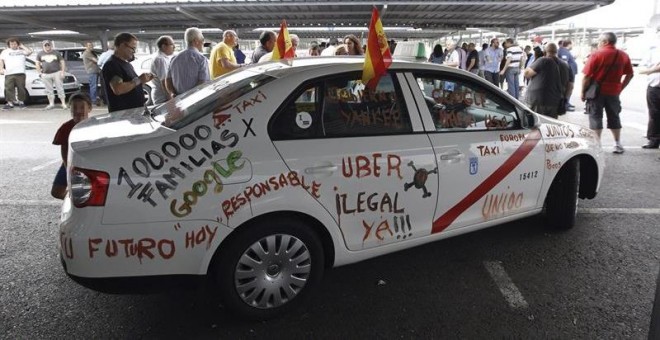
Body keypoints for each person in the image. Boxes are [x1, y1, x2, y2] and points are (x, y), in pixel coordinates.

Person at [581, 32, 634, 154]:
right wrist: (620, 87)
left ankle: (597, 146)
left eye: (599, 41)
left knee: (595, 117)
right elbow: (630, 75)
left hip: (596, 93)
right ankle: (617, 144)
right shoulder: (623, 55)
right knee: (614, 116)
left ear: (605, 42)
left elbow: (587, 77)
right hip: (614, 92)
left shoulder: (596, 55)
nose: (598, 43)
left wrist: (583, 92)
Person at [51, 92, 92, 199]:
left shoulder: (95, 126)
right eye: (74, 108)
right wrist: (67, 167)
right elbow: (64, 149)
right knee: (56, 192)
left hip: (90, 165)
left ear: (90, 108)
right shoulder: (65, 128)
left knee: (86, 193)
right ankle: (71, 200)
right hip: (70, 162)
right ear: (70, 110)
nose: (78, 111)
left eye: (82, 107)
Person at [102, 32, 154, 112]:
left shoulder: (127, 64)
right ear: (122, 45)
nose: (134, 51)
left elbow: (131, 85)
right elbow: (118, 88)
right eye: (132, 48)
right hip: (123, 114)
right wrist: (139, 80)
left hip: (134, 112)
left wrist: (143, 80)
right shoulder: (112, 64)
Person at [523, 43, 570, 119]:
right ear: (556, 51)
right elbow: (570, 85)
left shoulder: (543, 60)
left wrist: (536, 58)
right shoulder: (565, 65)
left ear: (545, 51)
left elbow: (527, 74)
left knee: (536, 124)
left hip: (538, 102)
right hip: (554, 102)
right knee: (549, 125)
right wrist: (565, 99)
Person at [166, 27, 209, 97]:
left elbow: (168, 80)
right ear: (196, 41)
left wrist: (172, 93)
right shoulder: (201, 59)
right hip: (195, 100)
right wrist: (189, 96)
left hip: (178, 100)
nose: (203, 43)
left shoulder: (174, 59)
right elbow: (203, 82)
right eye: (202, 40)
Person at [638, 36, 660, 149]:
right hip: (655, 87)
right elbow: (640, 70)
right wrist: (654, 70)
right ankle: (654, 140)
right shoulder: (653, 51)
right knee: (654, 114)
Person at [0, 37, 33, 110]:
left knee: (21, 88)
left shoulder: (22, 51)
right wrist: (1, 69)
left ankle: (21, 102)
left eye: (15, 44)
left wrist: (22, 46)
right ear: (9, 45)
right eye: (11, 44)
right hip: (9, 73)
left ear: (17, 44)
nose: (13, 45)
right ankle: (10, 103)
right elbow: (1, 60)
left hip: (20, 72)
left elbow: (29, 52)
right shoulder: (5, 52)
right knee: (8, 88)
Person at [36, 40, 68, 110]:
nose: (47, 46)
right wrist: (40, 73)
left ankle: (63, 103)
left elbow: (62, 62)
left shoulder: (56, 53)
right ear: (43, 46)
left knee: (60, 88)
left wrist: (62, 72)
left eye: (48, 45)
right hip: (45, 74)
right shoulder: (40, 54)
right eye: (45, 45)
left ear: (51, 45)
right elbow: (37, 63)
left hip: (56, 72)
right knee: (49, 90)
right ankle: (51, 103)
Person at [150, 35, 175, 105]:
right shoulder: (160, 60)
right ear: (164, 46)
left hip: (163, 96)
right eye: (172, 44)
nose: (174, 47)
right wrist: (171, 99)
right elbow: (164, 81)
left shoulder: (164, 58)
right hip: (163, 98)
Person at [558, 39, 578, 111]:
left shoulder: (566, 51)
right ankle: (565, 105)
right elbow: (564, 62)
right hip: (568, 75)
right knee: (567, 89)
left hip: (569, 74)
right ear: (569, 44)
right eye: (572, 44)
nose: (572, 46)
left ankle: (567, 102)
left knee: (568, 89)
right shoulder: (564, 51)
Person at [82, 41, 102, 106]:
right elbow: (96, 60)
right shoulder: (87, 53)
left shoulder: (91, 53)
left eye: (92, 45)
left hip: (95, 71)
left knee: (95, 86)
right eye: (89, 45)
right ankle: (93, 100)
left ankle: (95, 98)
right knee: (93, 86)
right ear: (86, 46)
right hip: (92, 71)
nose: (91, 47)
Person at [96, 41, 115, 105]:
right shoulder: (116, 54)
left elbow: (99, 63)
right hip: (115, 72)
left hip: (104, 71)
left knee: (105, 87)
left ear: (108, 47)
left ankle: (106, 101)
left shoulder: (104, 54)